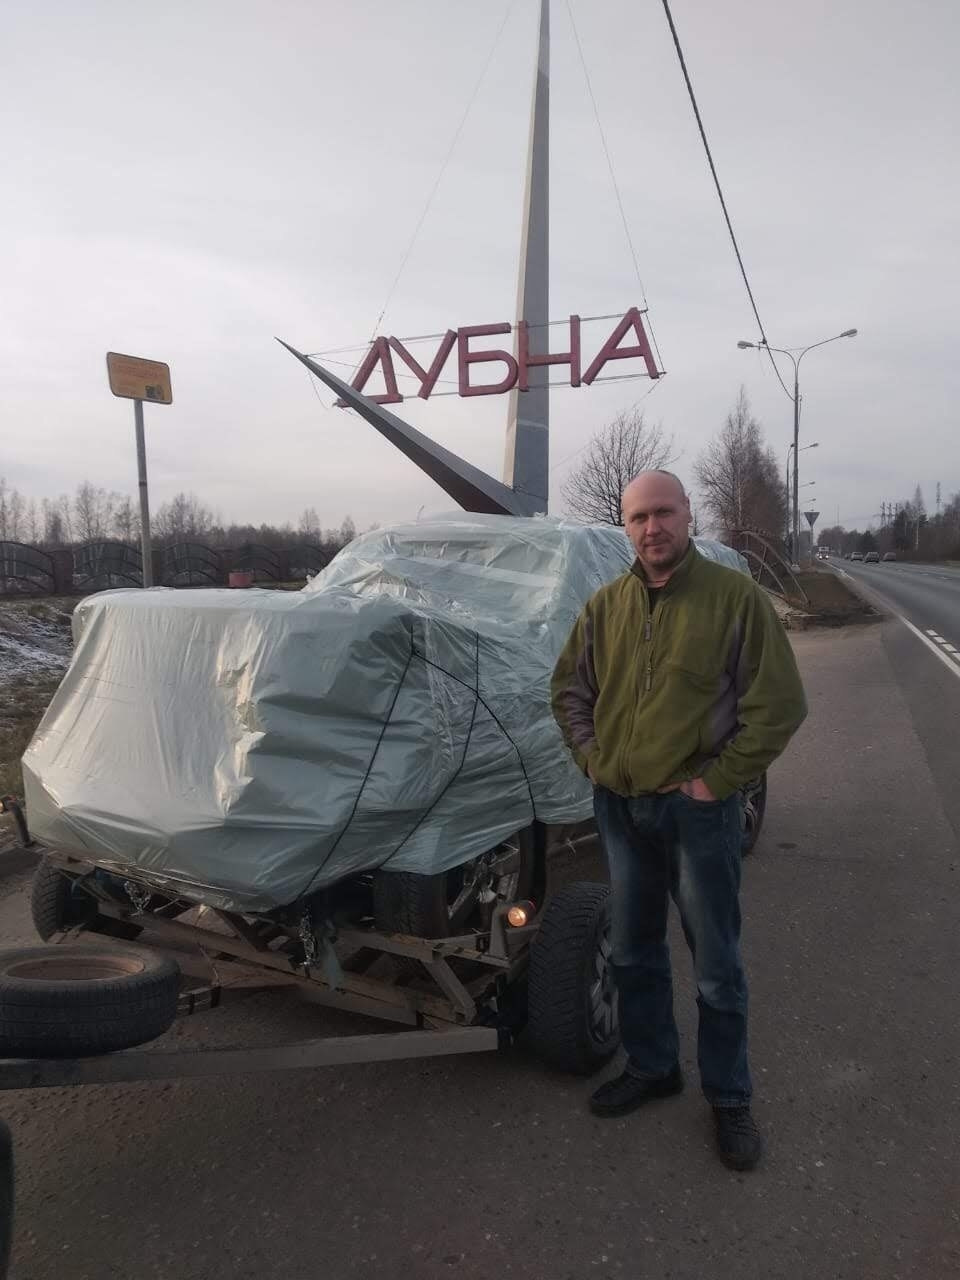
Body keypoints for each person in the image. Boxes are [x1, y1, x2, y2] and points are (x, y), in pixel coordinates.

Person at [550, 470, 807, 1171]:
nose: (651, 528)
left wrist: (716, 783)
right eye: (637, 518)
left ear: (687, 516)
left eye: (663, 513)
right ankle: (655, 1066)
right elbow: (568, 690)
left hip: (698, 814)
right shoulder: (605, 607)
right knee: (634, 950)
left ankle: (730, 1098)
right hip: (621, 808)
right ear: (625, 527)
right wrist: (593, 760)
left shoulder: (733, 600)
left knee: (717, 966)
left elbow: (778, 705)